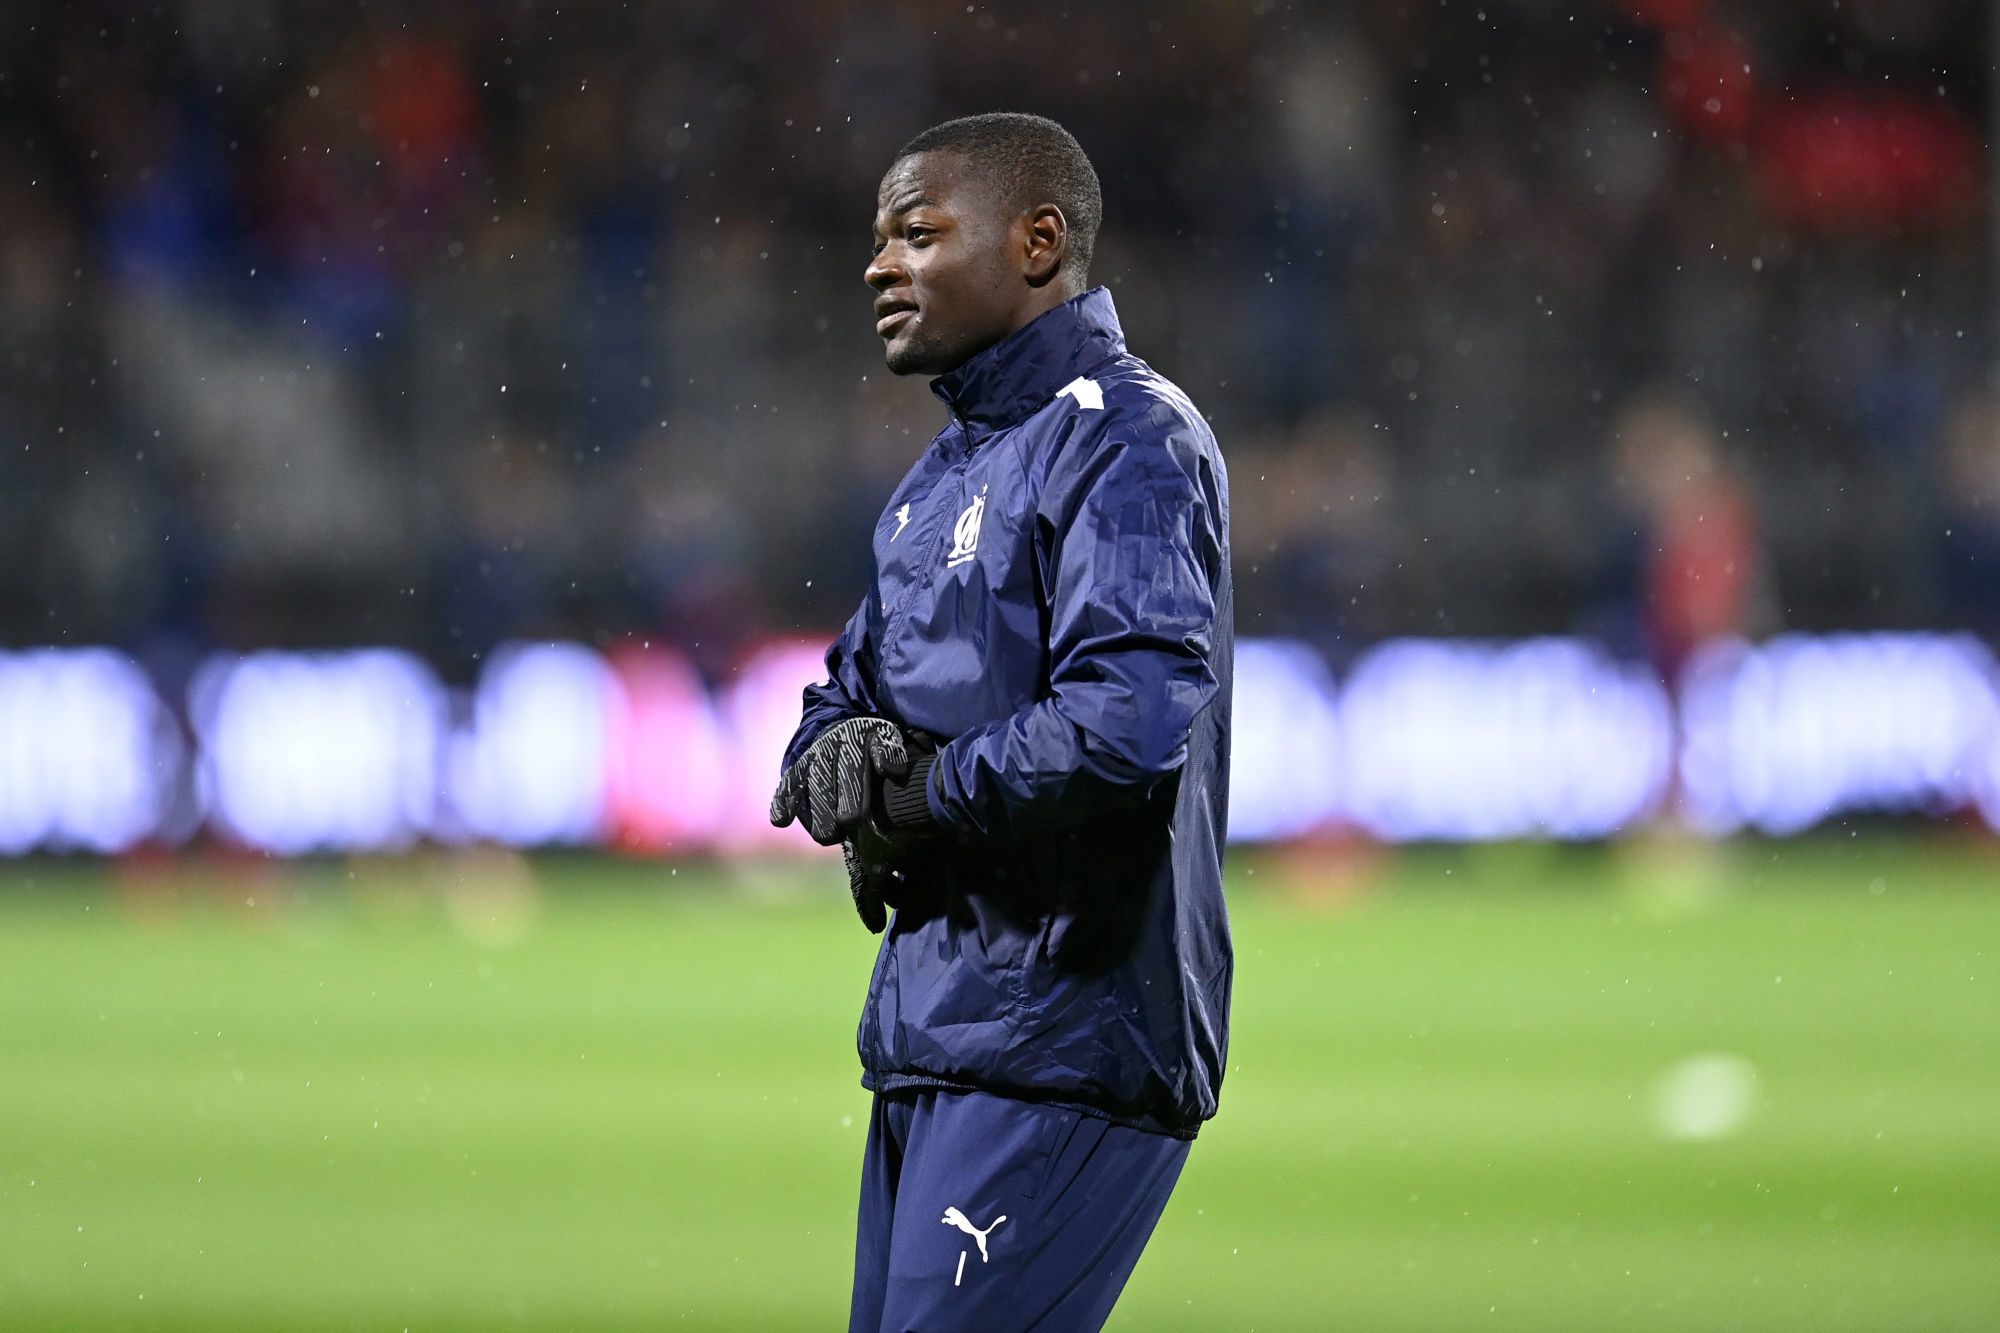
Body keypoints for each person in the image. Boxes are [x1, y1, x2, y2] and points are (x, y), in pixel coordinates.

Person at [769, 113, 1233, 1332]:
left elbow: (1126, 720)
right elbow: (847, 691)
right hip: (937, 1029)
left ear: (1036, 244)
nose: (877, 265)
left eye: (916, 234)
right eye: (878, 239)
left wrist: (919, 795)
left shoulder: (1127, 436)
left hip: (1065, 1036)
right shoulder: (935, 481)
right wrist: (830, 754)